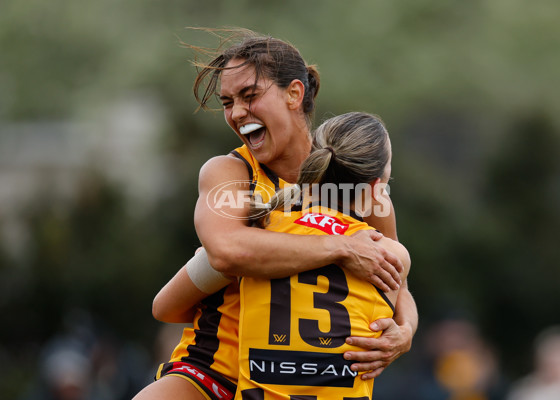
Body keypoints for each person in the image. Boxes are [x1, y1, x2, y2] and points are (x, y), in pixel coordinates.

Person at [133, 28, 417, 400]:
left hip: (309, 382)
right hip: (213, 372)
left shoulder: (359, 187)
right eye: (227, 102)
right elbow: (226, 251)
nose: (236, 113)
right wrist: (340, 248)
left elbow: (397, 284)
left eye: (249, 96)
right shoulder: (230, 172)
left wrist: (405, 332)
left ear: (295, 94)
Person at [236, 111, 411, 399]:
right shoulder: (390, 254)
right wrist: (404, 335)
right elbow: (402, 293)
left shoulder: (257, 229)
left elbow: (164, 308)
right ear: (377, 188)